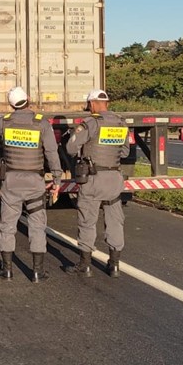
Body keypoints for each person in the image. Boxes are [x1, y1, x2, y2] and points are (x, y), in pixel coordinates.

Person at [0, 87, 63, 282]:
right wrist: (57, 179)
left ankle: (7, 270)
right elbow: (51, 152)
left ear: (11, 104)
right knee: (37, 226)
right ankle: (37, 271)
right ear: (29, 100)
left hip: (11, 181)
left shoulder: (4, 122)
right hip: (34, 182)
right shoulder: (41, 123)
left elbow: (2, 141)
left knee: (7, 226)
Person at [62, 89, 130, 276]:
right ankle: (114, 265)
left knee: (87, 221)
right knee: (115, 221)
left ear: (92, 103)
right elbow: (124, 152)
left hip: (93, 179)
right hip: (114, 179)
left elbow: (70, 147)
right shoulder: (121, 122)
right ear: (107, 103)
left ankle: (85, 265)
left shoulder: (91, 122)